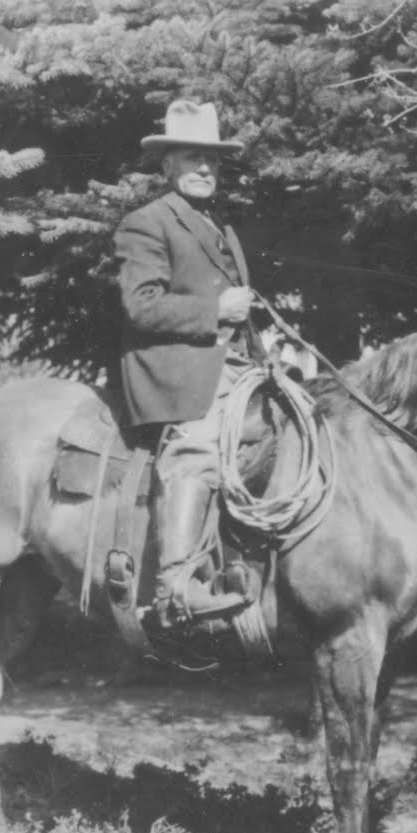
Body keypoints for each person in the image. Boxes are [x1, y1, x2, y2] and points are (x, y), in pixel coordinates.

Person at [115, 99, 264, 627]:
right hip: (178, 373)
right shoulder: (146, 223)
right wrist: (215, 310)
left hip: (236, 366)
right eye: (192, 158)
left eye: (213, 161)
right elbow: (141, 306)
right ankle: (176, 587)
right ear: (168, 167)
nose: (205, 169)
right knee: (198, 448)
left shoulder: (218, 226)